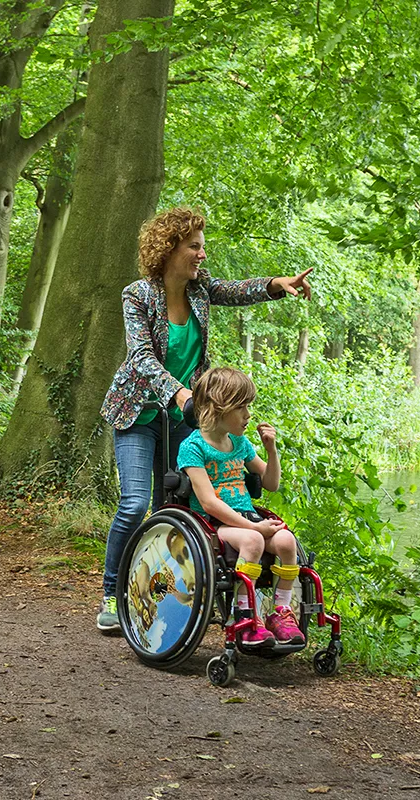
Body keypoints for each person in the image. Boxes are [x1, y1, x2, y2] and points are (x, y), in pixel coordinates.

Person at [96, 206, 312, 633]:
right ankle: (112, 592)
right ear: (170, 248)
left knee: (173, 506)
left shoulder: (200, 290)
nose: (201, 255)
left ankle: (163, 595)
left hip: (185, 414)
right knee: (137, 503)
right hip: (138, 410)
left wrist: (276, 285)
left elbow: (236, 290)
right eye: (194, 246)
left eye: (202, 246)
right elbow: (140, 356)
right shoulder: (137, 294)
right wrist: (178, 392)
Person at [177, 367, 304, 647]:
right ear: (217, 409)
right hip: (213, 524)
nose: (248, 415)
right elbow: (209, 501)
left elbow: (270, 483)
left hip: (247, 518)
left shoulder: (240, 443)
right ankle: (244, 616)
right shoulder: (193, 447)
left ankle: (280, 612)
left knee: (286, 541)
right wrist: (253, 526)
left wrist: (271, 451)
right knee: (253, 539)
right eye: (241, 407)